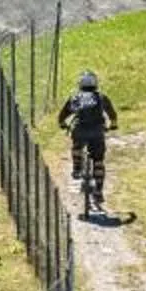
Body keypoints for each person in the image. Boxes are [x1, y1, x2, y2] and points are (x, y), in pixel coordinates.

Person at [58, 70, 117, 216]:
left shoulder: (75, 97)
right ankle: (98, 189)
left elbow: (63, 115)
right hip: (97, 131)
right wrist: (113, 124)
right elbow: (112, 114)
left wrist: (62, 124)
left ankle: (77, 168)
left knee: (77, 145)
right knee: (98, 159)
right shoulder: (101, 97)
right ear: (95, 83)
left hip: (80, 129)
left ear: (80, 83)